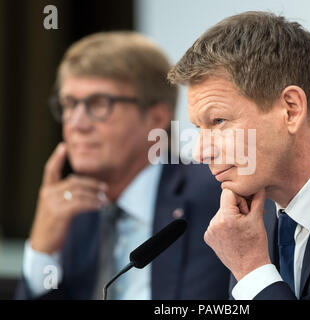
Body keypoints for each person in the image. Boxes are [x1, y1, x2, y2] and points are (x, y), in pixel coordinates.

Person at [168, 11, 310, 300]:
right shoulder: (253, 205)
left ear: (291, 109)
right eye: (197, 128)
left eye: (218, 122)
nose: (200, 152)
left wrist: (252, 270)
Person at [16, 31, 229, 300]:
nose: (77, 123)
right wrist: (43, 249)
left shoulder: (216, 197)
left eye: (99, 104)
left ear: (156, 116)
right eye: (69, 104)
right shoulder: (71, 213)